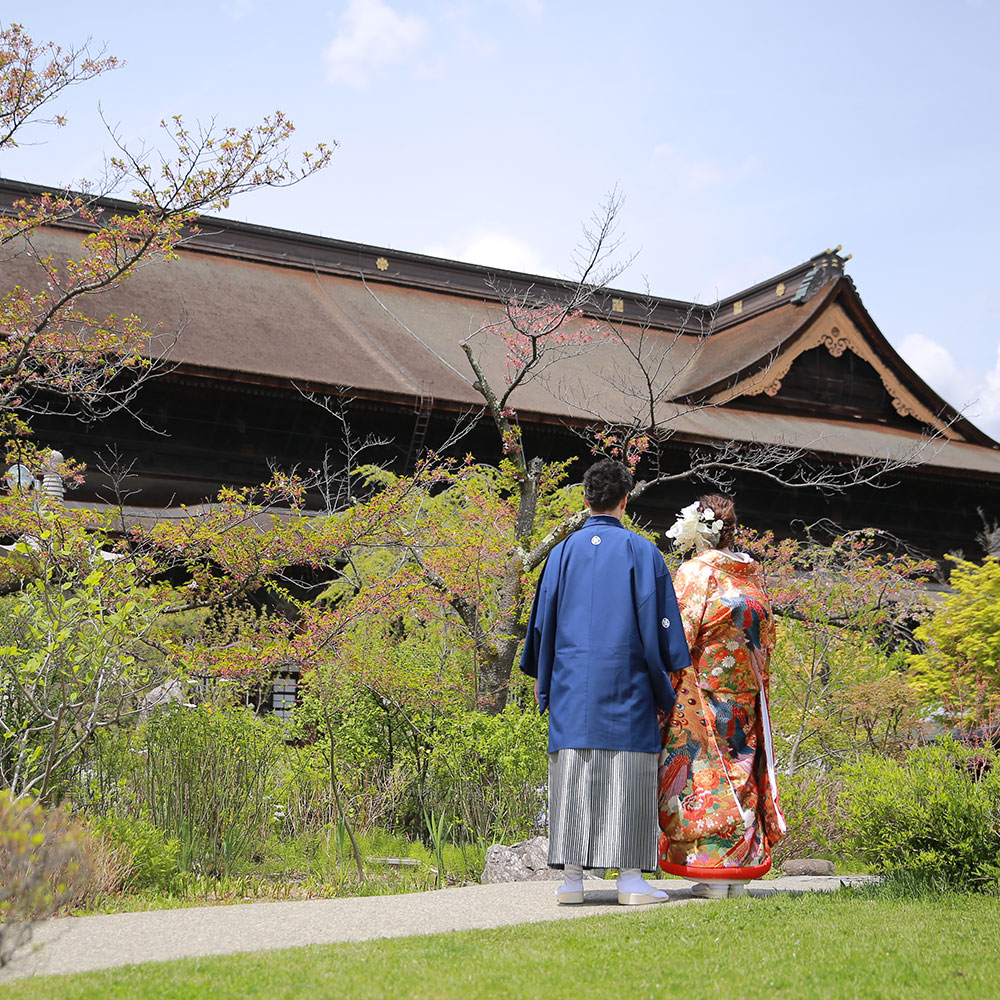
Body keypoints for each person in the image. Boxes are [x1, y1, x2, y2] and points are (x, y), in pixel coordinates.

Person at [520, 459, 691, 905]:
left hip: (571, 682)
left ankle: (571, 882)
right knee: (628, 772)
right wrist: (671, 669)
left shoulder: (560, 554)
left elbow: (541, 625)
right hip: (628, 680)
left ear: (585, 499)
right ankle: (630, 880)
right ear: (624, 501)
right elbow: (665, 627)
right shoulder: (643, 552)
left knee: (573, 770)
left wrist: (545, 678)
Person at [657, 495, 786, 899]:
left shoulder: (697, 572)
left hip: (704, 693)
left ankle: (714, 874)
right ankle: (740, 873)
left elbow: (677, 637)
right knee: (742, 775)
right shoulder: (751, 573)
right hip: (747, 693)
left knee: (708, 781)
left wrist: (661, 693)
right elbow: (767, 638)